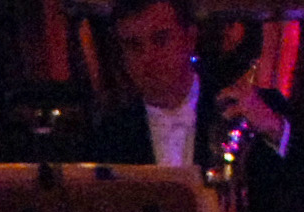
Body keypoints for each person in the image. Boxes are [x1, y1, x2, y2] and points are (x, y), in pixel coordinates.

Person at [85, 0, 286, 169]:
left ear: (189, 39)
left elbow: (299, 184)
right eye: (134, 46)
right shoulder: (108, 133)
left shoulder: (247, 110)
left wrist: (275, 129)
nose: (148, 57)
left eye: (161, 40)